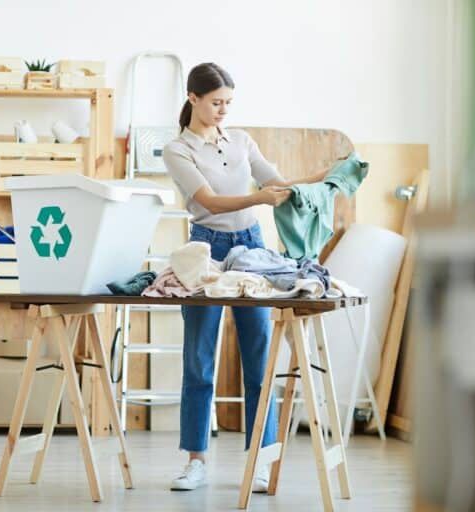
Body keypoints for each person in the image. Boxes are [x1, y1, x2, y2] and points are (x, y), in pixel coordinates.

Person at [162, 62, 330, 492]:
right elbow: (211, 202)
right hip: (206, 248)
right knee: (199, 358)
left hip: (252, 248)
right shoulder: (178, 150)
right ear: (192, 98)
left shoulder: (241, 140)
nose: (223, 110)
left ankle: (259, 457)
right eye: (216, 102)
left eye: (228, 103)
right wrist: (259, 197)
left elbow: (279, 184)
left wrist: (325, 177)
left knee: (259, 356)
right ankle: (195, 460)